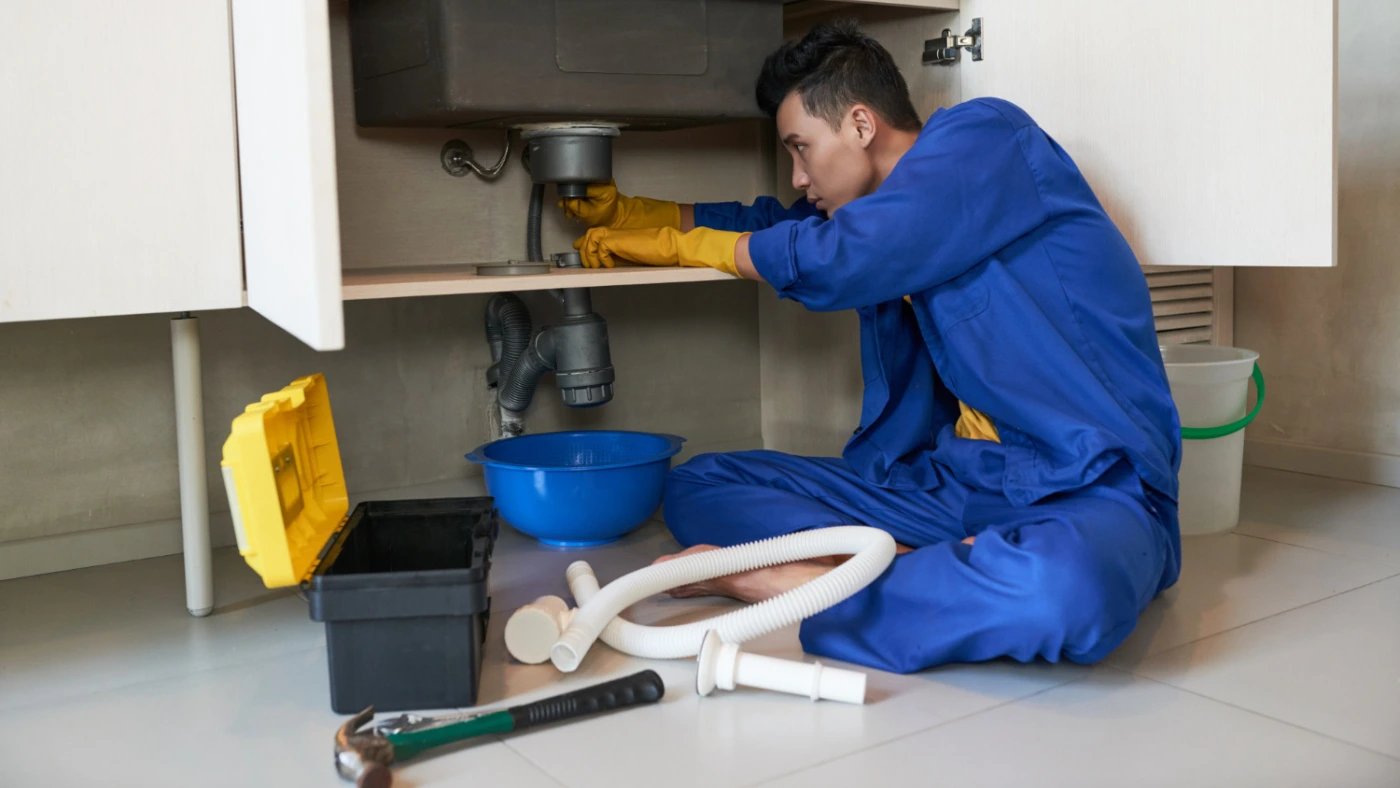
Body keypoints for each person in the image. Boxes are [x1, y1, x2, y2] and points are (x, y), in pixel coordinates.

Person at [563, 20, 1182, 674]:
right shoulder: (874, 209)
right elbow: (776, 225)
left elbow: (836, 257)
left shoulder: (988, 139)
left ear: (861, 125)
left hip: (1087, 486)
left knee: (1067, 592)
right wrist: (639, 214)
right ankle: (930, 573)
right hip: (951, 485)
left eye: (801, 148)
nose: (798, 175)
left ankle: (791, 583)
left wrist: (687, 247)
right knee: (698, 486)